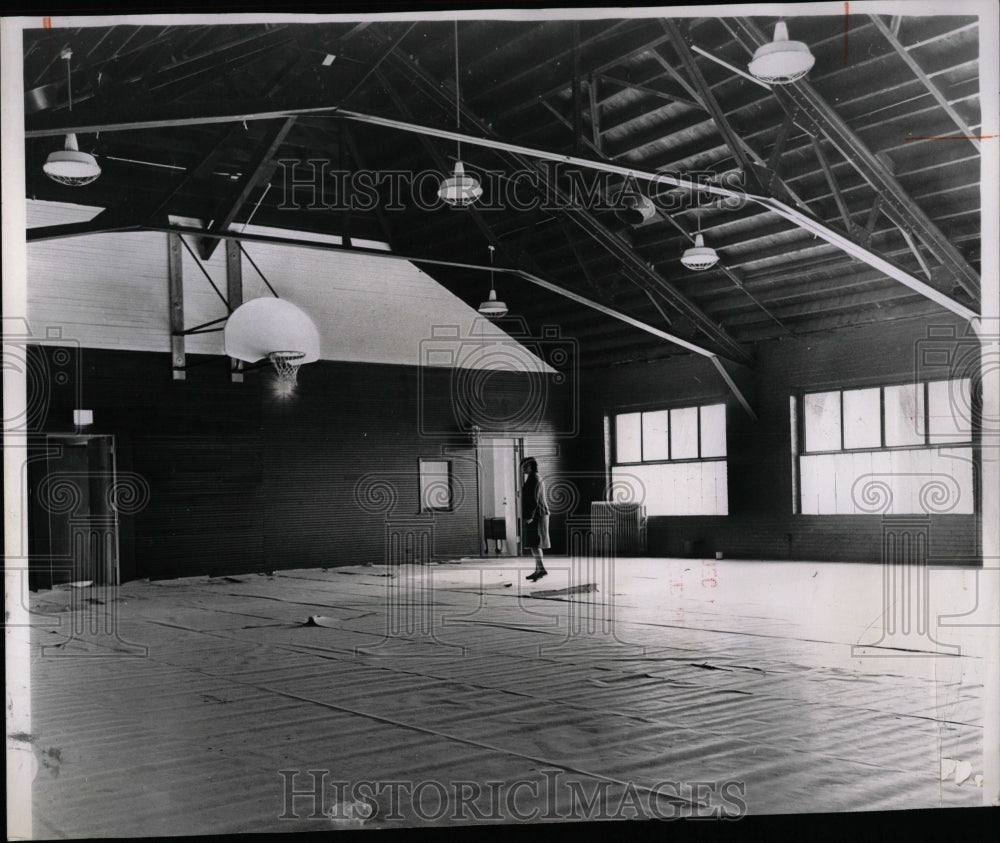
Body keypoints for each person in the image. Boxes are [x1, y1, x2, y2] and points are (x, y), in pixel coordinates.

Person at [521, 457, 550, 581]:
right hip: (538, 514)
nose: (523, 469)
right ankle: (539, 569)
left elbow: (534, 499)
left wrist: (529, 516)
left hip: (537, 515)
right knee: (534, 544)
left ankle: (541, 569)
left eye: (525, 467)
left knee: (535, 543)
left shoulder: (534, 479)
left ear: (531, 466)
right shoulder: (533, 478)